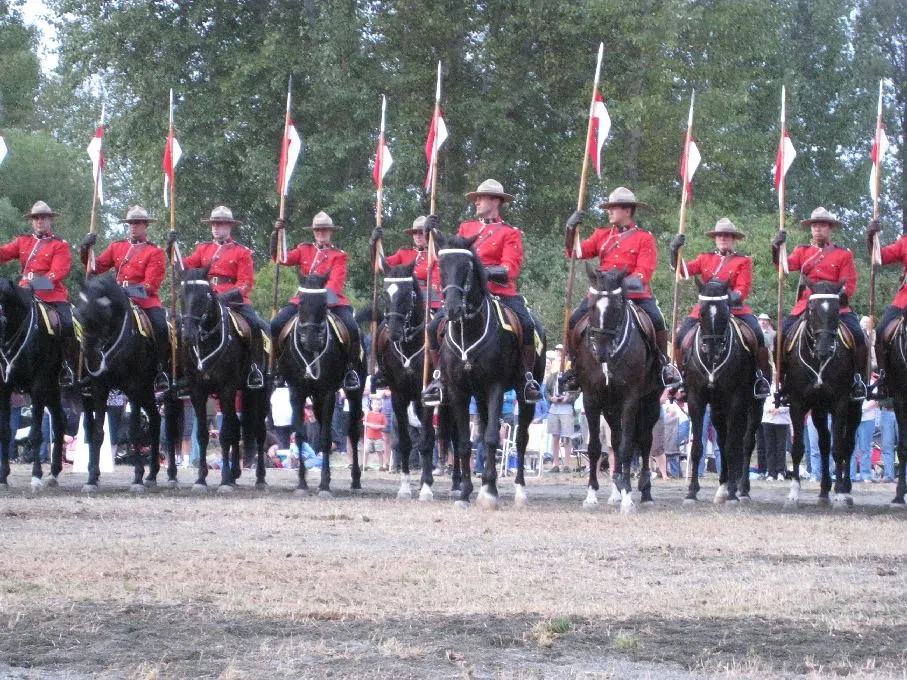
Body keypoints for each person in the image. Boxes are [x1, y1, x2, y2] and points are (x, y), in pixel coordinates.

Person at [421, 179, 542, 405]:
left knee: (527, 324)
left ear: (496, 201)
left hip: (500, 293)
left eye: (482, 197)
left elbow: (510, 269)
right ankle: (439, 377)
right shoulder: (466, 228)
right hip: (467, 297)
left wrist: (480, 273)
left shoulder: (510, 232)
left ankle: (526, 378)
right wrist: (432, 234)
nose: (477, 201)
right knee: (432, 327)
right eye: (476, 198)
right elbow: (450, 258)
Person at [563, 187, 681, 388]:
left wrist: (618, 286)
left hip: (634, 294)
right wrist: (570, 230)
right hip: (601, 295)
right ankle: (573, 367)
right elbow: (577, 252)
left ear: (627, 211)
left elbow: (644, 272)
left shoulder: (644, 238)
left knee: (657, 320)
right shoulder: (602, 235)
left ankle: (664, 365)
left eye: (613, 208)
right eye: (609, 208)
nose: (609, 211)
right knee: (574, 320)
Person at [168, 205, 268, 388]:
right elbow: (184, 268)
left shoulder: (242, 252)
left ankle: (255, 367)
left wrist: (227, 296)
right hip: (204, 298)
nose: (215, 227)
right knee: (182, 327)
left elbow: (246, 282)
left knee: (254, 324)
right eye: (213, 224)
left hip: (233, 300)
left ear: (229, 227)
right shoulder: (202, 249)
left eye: (220, 224)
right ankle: (182, 370)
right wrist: (172, 248)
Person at [772, 206, 866, 400]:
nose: (818, 229)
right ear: (811, 229)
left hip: (835, 305)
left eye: (822, 226)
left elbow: (849, 282)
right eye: (815, 226)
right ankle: (784, 380)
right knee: (780, 336)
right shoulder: (802, 251)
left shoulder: (843, 254)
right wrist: (776, 249)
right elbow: (784, 267)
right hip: (807, 304)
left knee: (858, 335)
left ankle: (859, 380)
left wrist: (837, 298)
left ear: (830, 229)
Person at [670, 218, 771, 398]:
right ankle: (682, 377)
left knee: (757, 334)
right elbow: (683, 271)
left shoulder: (743, 261)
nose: (723, 238)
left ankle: (761, 377)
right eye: (719, 236)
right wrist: (674, 252)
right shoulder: (705, 258)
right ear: (715, 239)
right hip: (706, 308)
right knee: (680, 337)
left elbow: (742, 289)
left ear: (733, 239)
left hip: (734, 308)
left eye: (727, 236)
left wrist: (724, 300)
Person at [81, 206, 170, 389]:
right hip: (116, 302)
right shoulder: (117, 246)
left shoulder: (155, 251)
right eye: (130, 223)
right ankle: (89, 369)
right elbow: (95, 268)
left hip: (144, 301)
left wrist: (123, 293)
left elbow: (150, 286)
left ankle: (162, 370)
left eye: (137, 223)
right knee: (91, 322)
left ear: (145, 225)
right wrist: (85, 249)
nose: (133, 227)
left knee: (161, 327)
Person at [271, 211, 361, 391]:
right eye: (318, 231)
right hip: (303, 299)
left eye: (325, 231)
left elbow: (335, 282)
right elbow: (282, 259)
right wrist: (276, 237)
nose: (321, 234)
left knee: (352, 328)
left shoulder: (339, 255)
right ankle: (277, 367)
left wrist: (320, 300)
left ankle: (351, 370)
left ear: (331, 232)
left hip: (330, 300)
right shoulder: (304, 249)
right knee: (276, 324)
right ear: (313, 232)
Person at [0, 201, 75, 384]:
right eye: (35, 218)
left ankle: (65, 365)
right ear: (32, 222)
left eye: (43, 218)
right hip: (23, 295)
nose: (39, 221)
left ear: (50, 220)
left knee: (67, 323)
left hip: (51, 295)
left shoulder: (59, 245)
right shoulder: (23, 241)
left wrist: (34, 284)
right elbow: (3, 253)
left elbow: (57, 273)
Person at [370, 215, 442, 386]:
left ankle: (441, 368)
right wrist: (374, 244)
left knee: (442, 330)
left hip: (429, 300)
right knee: (381, 330)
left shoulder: (435, 253)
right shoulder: (404, 253)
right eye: (415, 233)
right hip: (402, 302)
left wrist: (436, 234)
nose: (418, 236)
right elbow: (382, 266)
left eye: (422, 232)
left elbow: (440, 276)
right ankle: (382, 370)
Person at [864, 218, 907, 398]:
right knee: (881, 331)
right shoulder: (905, 242)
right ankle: (884, 378)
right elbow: (880, 257)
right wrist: (871, 237)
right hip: (905, 300)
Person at [544, 368, 577, 473]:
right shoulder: (553, 376)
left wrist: (569, 398)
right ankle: (555, 464)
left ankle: (566, 465)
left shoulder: (571, 377)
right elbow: (546, 391)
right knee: (555, 436)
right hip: (554, 408)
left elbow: (577, 391)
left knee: (567, 437)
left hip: (567, 409)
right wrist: (550, 398)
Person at [362, 398, 388, 471]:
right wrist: (371, 425)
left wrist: (378, 426)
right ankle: (365, 465)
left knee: (380, 451)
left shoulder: (382, 415)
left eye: (378, 404)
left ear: (381, 406)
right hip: (369, 437)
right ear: (372, 405)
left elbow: (384, 425)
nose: (377, 406)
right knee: (366, 451)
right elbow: (364, 422)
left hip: (378, 437)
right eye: (375, 404)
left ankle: (382, 466)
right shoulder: (368, 414)